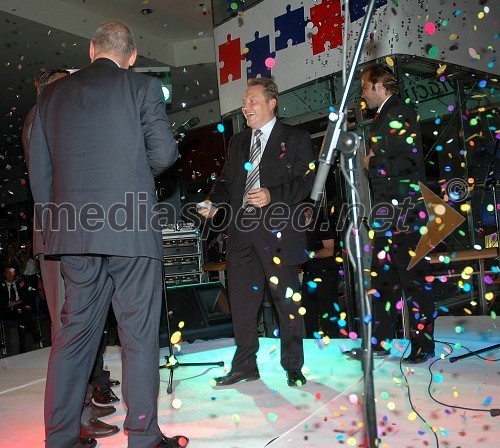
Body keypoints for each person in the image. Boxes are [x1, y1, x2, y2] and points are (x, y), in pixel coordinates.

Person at [27, 21, 185, 448]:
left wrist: (59, 220)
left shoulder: (51, 97)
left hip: (73, 235)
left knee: (73, 336)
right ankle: (142, 436)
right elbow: (165, 155)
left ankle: (60, 439)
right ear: (132, 57)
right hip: (130, 227)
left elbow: (39, 174)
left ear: (91, 50)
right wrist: (129, 178)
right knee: (136, 336)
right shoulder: (142, 87)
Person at [23, 67, 120, 446]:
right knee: (68, 330)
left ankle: (81, 405)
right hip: (57, 237)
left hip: (65, 233)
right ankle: (72, 420)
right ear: (51, 89)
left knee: (75, 326)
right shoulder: (41, 118)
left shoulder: (46, 118)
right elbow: (51, 180)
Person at [198, 77, 315, 387]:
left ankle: (293, 365)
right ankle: (246, 364)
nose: (245, 106)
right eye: (244, 101)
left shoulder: (296, 137)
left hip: (278, 232)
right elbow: (226, 182)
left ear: (271, 103)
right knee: (242, 303)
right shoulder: (238, 141)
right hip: (241, 232)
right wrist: (213, 200)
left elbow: (308, 182)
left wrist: (272, 194)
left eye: (252, 101)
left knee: (286, 302)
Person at [344, 64, 436, 364]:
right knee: (383, 282)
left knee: (413, 282)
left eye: (364, 87)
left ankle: (424, 345)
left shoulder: (401, 112)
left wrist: (372, 163)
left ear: (379, 86)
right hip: (388, 214)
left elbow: (408, 162)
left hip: (404, 214)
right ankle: (378, 342)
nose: (362, 94)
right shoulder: (385, 114)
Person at [301, 205, 341, 339]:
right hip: (309, 275)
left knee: (328, 315)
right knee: (309, 315)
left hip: (325, 275)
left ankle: (334, 347)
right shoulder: (301, 229)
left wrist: (308, 255)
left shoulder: (322, 225)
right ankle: (312, 349)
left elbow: (329, 250)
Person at [0, 264, 38, 353]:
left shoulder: (21, 283)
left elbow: (32, 292)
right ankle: (34, 335)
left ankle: (22, 347)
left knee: (21, 314)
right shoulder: (1, 287)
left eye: (12, 272)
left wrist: (18, 301)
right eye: (7, 273)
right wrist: (11, 303)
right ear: (4, 274)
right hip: (7, 312)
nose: (10, 275)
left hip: (20, 311)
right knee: (23, 313)